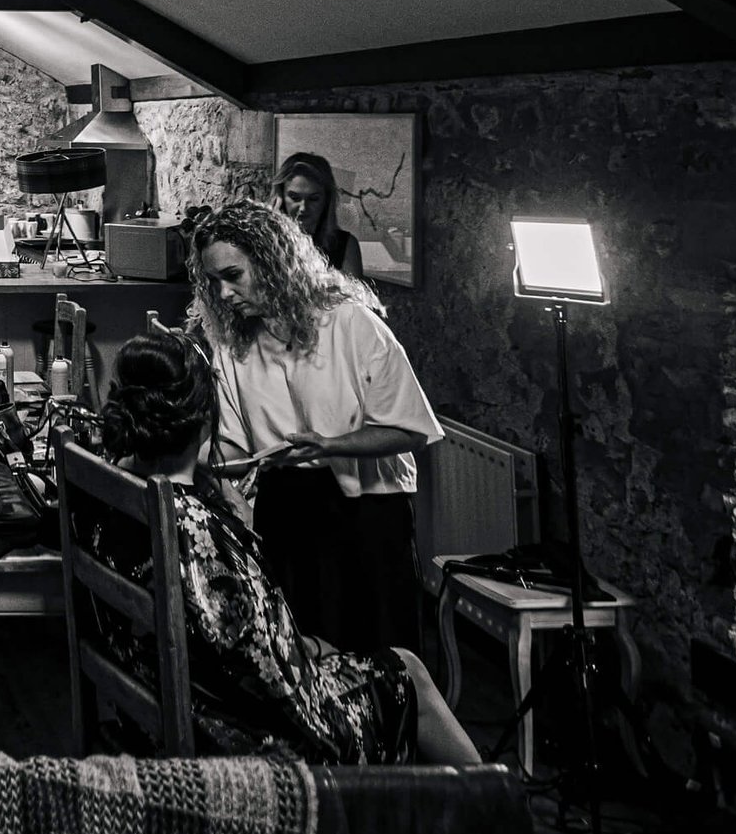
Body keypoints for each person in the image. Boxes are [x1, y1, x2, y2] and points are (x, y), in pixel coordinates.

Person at [83, 326, 480, 766]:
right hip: (237, 738)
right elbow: (271, 681)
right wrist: (306, 644)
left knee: (350, 653)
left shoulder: (109, 493)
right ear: (204, 423)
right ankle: (496, 806)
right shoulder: (202, 534)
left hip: (152, 711)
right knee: (409, 671)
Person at [193, 199, 441, 654]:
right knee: (301, 652)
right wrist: (187, 456)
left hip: (366, 512)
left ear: (272, 261)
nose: (225, 294)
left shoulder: (351, 324)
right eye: (214, 282)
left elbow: (413, 430)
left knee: (377, 653)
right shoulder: (234, 344)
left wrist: (333, 444)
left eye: (233, 276)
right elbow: (232, 447)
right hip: (286, 506)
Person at [273, 153, 366, 279]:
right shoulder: (266, 242)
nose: (303, 208)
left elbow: (356, 297)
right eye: (295, 198)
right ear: (281, 197)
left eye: (313, 199)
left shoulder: (345, 246)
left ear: (326, 200)